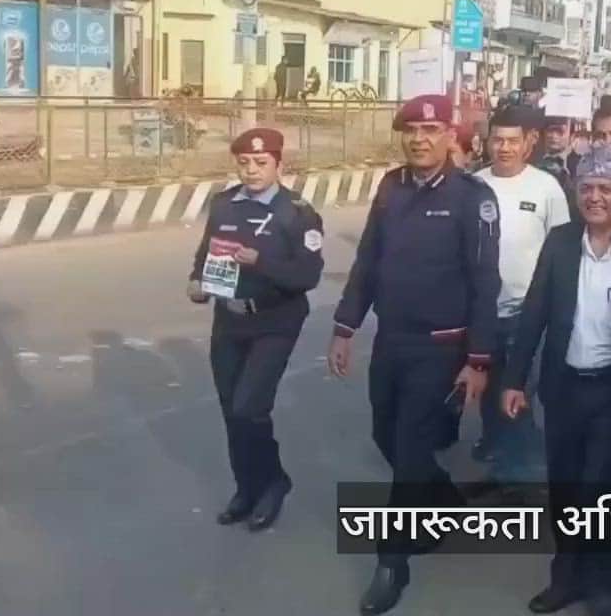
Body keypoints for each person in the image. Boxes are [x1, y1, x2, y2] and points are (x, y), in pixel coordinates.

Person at [328, 94, 500, 615]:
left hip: (442, 347)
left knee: (407, 451)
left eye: (431, 130)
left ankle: (391, 562)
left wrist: (478, 359)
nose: (419, 140)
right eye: (411, 131)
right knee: (386, 435)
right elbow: (367, 260)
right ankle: (445, 501)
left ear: (451, 137)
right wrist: (345, 326)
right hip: (392, 341)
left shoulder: (473, 197)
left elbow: (484, 283)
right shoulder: (391, 187)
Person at [501, 143, 611, 616]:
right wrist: (515, 380)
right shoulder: (559, 242)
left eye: (606, 189)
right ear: (577, 193)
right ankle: (566, 578)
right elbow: (534, 313)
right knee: (565, 488)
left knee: (601, 490)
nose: (595, 197)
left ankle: (603, 583)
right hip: (564, 387)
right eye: (587, 188)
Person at [187, 127, 325, 532]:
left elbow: (308, 275)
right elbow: (206, 253)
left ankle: (274, 482)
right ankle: (247, 488)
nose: (251, 171)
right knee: (232, 410)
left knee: (250, 406)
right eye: (244, 163)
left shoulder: (297, 213)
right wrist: (196, 281)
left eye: (261, 163)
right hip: (229, 318)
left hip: (275, 320)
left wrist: (259, 261)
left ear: (279, 164)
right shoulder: (225, 204)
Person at [471, 106, 571, 488]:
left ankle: (521, 478)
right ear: (487, 142)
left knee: (517, 395)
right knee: (488, 395)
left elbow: (561, 250)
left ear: (527, 145)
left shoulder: (546, 187)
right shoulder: (474, 186)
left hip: (528, 315)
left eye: (513, 141)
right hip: (482, 314)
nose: (505, 148)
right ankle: (502, 464)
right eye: (498, 140)